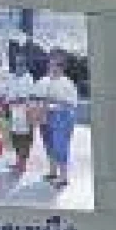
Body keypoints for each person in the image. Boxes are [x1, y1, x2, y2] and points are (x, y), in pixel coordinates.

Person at [35, 49, 79, 186]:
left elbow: (72, 103)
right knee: (48, 143)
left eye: (56, 65)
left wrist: (54, 102)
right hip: (46, 115)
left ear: (62, 67)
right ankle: (52, 171)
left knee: (60, 145)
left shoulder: (67, 83)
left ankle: (64, 177)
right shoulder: (43, 80)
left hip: (62, 117)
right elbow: (36, 96)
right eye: (50, 64)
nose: (52, 67)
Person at [6, 56, 36, 173]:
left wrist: (14, 100)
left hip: (25, 113)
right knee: (15, 137)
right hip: (14, 112)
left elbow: (25, 97)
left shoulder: (29, 79)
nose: (18, 67)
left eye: (21, 64)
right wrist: (9, 101)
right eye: (17, 64)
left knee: (25, 138)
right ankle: (18, 160)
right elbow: (9, 93)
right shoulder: (12, 78)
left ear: (25, 66)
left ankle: (23, 163)